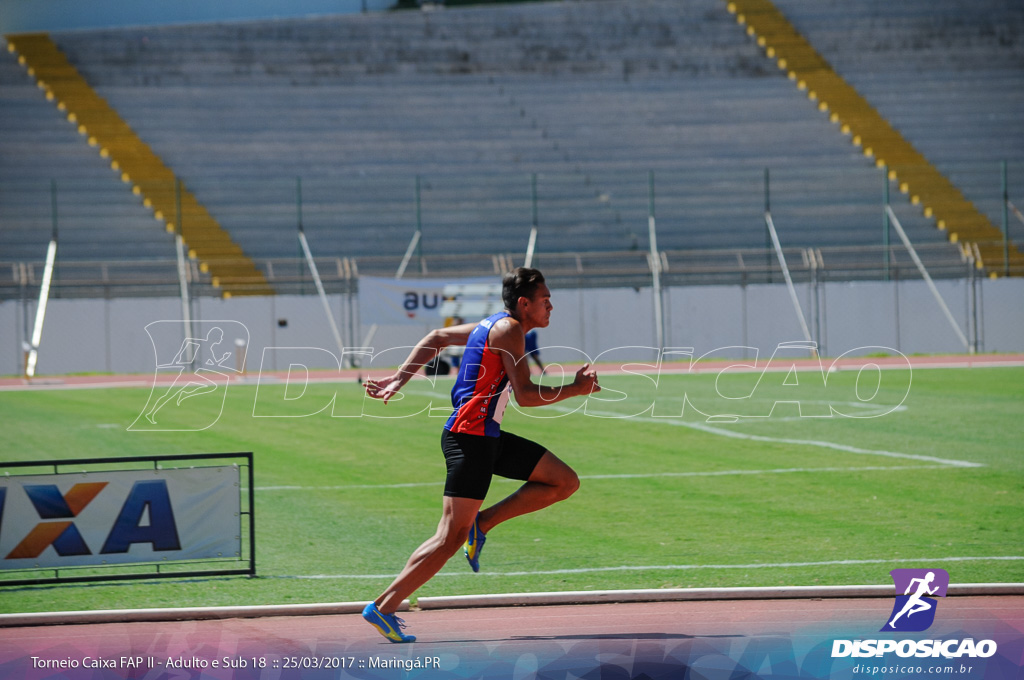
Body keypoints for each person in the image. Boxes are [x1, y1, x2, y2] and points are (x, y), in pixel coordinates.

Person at [361, 267, 600, 643]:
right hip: (471, 440)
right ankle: (384, 607)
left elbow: (438, 336)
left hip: (487, 436)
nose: (551, 306)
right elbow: (524, 395)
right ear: (525, 304)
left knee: (563, 481)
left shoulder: (495, 325)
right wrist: (575, 388)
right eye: (545, 300)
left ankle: (481, 524)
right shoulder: (509, 331)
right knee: (449, 538)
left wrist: (398, 379)